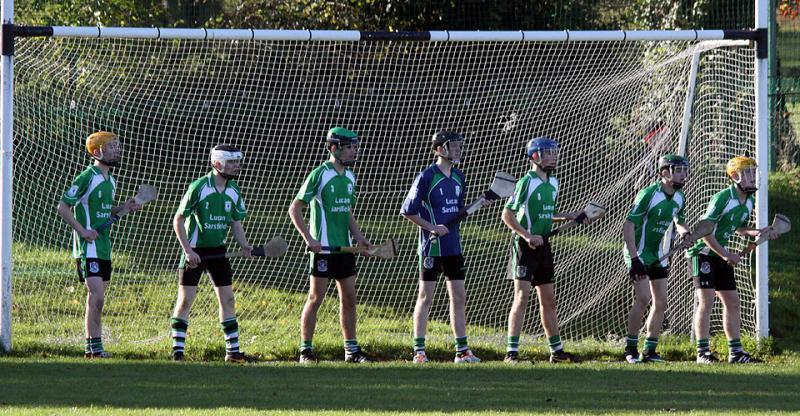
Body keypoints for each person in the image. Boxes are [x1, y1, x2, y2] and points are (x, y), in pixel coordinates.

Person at [401, 131, 488, 364]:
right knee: (425, 297)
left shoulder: (459, 177)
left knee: (459, 297)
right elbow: (407, 211)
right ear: (440, 149)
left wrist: (478, 204)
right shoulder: (427, 176)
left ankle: (462, 351)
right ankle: (419, 352)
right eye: (454, 146)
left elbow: (458, 212)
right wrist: (432, 227)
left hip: (453, 247)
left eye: (460, 146)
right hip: (431, 248)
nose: (459, 149)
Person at [289, 127, 373, 363]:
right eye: (349, 148)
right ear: (334, 148)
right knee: (316, 298)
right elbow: (295, 208)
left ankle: (351, 351)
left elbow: (347, 211)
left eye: (355, 147)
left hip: (344, 249)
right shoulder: (320, 174)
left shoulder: (350, 177)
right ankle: (305, 351)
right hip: (323, 250)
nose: (354, 152)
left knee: (349, 298)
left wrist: (359, 237)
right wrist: (309, 239)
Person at [502, 136, 587, 364]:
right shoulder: (526, 182)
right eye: (548, 153)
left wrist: (569, 216)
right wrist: (526, 235)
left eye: (554, 153)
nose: (553, 157)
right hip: (524, 247)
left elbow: (547, 214)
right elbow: (507, 214)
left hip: (544, 247)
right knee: (521, 297)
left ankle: (556, 352)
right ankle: (511, 353)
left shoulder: (554, 183)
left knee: (549, 300)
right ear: (534, 156)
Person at [57, 131, 141, 358]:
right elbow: (63, 206)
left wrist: (124, 207)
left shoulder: (110, 180)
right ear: (96, 152)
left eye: (117, 146)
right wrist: (82, 231)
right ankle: (93, 347)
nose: (117, 150)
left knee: (98, 298)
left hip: (103, 246)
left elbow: (105, 211)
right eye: (112, 147)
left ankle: (93, 348)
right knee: (97, 296)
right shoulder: (87, 176)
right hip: (88, 246)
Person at [687, 156, 778, 364]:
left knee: (733, 302)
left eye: (754, 172)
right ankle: (702, 353)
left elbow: (738, 228)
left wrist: (757, 232)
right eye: (748, 173)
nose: (753, 177)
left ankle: (736, 353)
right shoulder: (722, 198)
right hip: (703, 253)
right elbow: (706, 233)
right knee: (706, 301)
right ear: (735, 176)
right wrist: (726, 255)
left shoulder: (749, 201)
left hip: (722, 254)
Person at [169, 144, 255, 363]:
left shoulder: (234, 190)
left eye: (238, 161)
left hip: (219, 252)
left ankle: (233, 352)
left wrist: (244, 245)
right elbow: (178, 219)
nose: (237, 166)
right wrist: (188, 251)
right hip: (195, 251)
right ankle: (177, 352)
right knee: (185, 300)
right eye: (231, 162)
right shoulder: (199, 187)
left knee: (228, 299)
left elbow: (235, 222)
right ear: (217, 163)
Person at [622, 154, 691, 363]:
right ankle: (630, 348)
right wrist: (634, 259)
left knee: (661, 302)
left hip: (658, 254)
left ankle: (649, 350)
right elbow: (628, 225)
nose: (683, 175)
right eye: (678, 170)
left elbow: (679, 221)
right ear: (664, 173)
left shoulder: (680, 197)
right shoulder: (648, 194)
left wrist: (685, 233)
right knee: (643, 298)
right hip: (638, 253)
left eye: (684, 170)